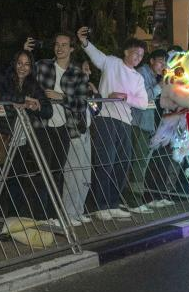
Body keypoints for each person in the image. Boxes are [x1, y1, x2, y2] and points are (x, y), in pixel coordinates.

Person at [78, 28, 148, 221]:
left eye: (141, 55)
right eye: (135, 53)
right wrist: (84, 42)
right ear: (126, 52)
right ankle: (100, 205)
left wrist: (124, 96)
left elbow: (143, 102)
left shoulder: (138, 77)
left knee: (122, 163)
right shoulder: (111, 63)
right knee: (105, 161)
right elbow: (96, 56)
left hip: (125, 121)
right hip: (105, 118)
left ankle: (113, 203)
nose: (138, 58)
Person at [23, 33, 92, 221]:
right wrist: (25, 54)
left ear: (71, 48)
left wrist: (61, 97)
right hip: (42, 125)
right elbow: (23, 79)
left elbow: (82, 105)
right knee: (42, 172)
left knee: (57, 173)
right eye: (57, 44)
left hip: (65, 128)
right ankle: (39, 218)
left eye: (64, 45)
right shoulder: (42, 66)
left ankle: (54, 216)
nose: (59, 48)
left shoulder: (77, 74)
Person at [0, 50, 53, 222]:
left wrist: (36, 106)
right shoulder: (3, 80)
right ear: (14, 63)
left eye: (26, 64)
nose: (22, 68)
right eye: (19, 63)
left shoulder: (34, 84)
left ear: (31, 67)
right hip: (1, 136)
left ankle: (11, 222)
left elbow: (48, 110)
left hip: (21, 139)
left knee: (16, 181)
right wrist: (23, 100)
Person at [124, 49, 167, 213]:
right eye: (160, 62)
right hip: (138, 122)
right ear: (151, 61)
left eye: (165, 63)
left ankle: (132, 198)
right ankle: (133, 200)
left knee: (139, 161)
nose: (163, 66)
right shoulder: (142, 73)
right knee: (138, 162)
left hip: (145, 123)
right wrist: (159, 87)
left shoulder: (153, 76)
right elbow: (142, 97)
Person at [59, 56, 99, 225]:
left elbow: (96, 110)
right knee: (73, 174)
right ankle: (69, 213)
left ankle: (78, 210)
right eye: (84, 68)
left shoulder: (87, 90)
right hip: (74, 133)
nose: (87, 72)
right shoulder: (72, 87)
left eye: (89, 69)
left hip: (85, 133)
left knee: (84, 174)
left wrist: (95, 93)